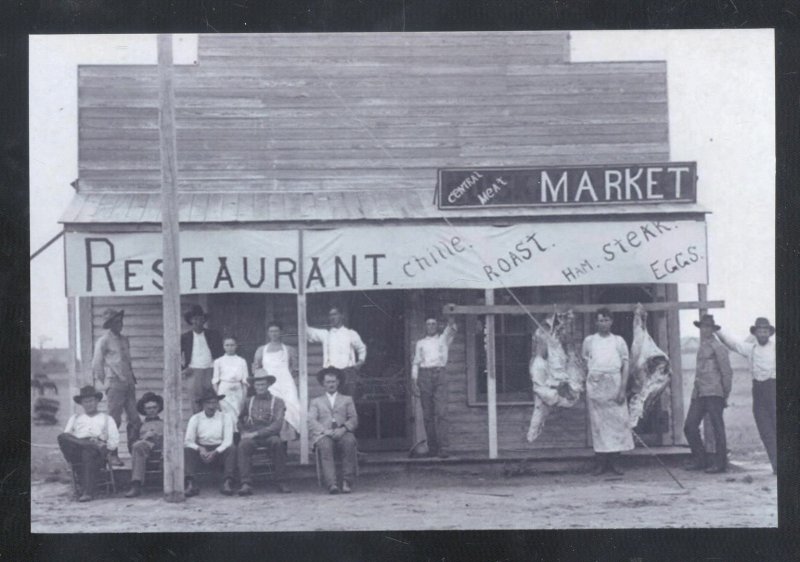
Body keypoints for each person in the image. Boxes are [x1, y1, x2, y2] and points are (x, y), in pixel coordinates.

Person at [717, 317, 776, 474]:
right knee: (765, 431)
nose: (762, 333)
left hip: (774, 389)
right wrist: (718, 330)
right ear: (755, 333)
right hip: (758, 391)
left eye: (765, 330)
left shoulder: (777, 348)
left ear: (770, 333)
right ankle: (777, 467)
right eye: (759, 330)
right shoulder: (751, 349)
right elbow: (733, 344)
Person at [582, 308, 633, 476]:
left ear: (611, 321)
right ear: (596, 322)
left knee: (617, 422)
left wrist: (622, 389)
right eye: (600, 320)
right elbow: (585, 363)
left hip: (614, 382)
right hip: (596, 384)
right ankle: (600, 463)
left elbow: (626, 365)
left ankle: (616, 461)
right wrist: (590, 383)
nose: (603, 323)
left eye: (606, 320)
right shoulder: (589, 341)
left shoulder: (618, 341)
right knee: (598, 424)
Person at [683, 314, 733, 473]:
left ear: (713, 329)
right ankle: (701, 460)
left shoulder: (718, 347)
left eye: (708, 327)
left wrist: (724, 394)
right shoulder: (702, 345)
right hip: (699, 393)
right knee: (689, 426)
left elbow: (727, 372)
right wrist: (695, 391)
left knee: (718, 428)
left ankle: (720, 464)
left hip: (714, 392)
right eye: (702, 327)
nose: (705, 330)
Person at [91, 307, 139, 466]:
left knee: (134, 419)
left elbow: (127, 362)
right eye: (116, 322)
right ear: (110, 324)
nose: (120, 324)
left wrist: (130, 379)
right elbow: (97, 364)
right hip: (115, 384)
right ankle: (112, 454)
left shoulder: (125, 339)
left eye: (121, 321)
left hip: (129, 384)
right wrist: (106, 383)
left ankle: (136, 452)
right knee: (114, 421)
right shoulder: (103, 340)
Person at [57, 386, 120, 502]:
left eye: (91, 401)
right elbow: (67, 437)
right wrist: (85, 443)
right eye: (85, 402)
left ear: (97, 401)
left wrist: (104, 447)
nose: (88, 404)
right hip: (76, 451)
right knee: (62, 436)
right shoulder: (75, 418)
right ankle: (87, 444)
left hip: (97, 451)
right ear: (81, 404)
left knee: (88, 451)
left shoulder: (107, 419)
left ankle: (88, 492)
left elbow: (114, 441)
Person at [411, 312, 457, 458]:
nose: (431, 326)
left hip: (439, 374)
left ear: (437, 326)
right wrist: (414, 380)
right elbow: (416, 362)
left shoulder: (443, 339)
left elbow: (452, 329)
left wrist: (451, 317)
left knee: (441, 412)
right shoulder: (420, 343)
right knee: (428, 415)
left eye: (433, 324)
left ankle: (444, 448)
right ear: (425, 327)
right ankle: (432, 448)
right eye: (428, 324)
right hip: (424, 376)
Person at [237, 372, 291, 495]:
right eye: (258, 385)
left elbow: (277, 425)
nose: (260, 387)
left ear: (268, 385)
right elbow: (239, 420)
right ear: (254, 386)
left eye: (263, 384)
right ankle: (246, 483)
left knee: (278, 443)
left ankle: (281, 481)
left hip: (270, 435)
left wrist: (256, 434)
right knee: (243, 445)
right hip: (251, 436)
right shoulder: (248, 401)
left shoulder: (278, 402)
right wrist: (243, 432)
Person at [308, 367, 359, 494]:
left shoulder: (347, 399)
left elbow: (354, 419)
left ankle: (347, 481)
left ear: (338, 383)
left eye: (333, 382)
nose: (331, 384)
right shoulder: (316, 401)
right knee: (325, 446)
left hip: (342, 432)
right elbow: (311, 420)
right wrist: (325, 431)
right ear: (323, 384)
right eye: (328, 382)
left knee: (349, 442)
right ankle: (332, 484)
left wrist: (343, 429)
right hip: (324, 434)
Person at [253, 321, 301, 441]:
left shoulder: (289, 350)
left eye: (276, 331)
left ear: (281, 332)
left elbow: (295, 370)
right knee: (272, 408)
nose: (274, 334)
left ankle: (287, 438)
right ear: (268, 333)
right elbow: (256, 369)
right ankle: (272, 438)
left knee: (292, 408)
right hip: (269, 383)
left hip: (286, 383)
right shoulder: (261, 350)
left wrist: (292, 384)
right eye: (271, 331)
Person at [183, 388, 237, 496]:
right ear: (202, 404)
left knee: (231, 448)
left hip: (219, 451)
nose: (211, 406)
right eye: (208, 403)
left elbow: (227, 441)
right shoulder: (195, 418)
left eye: (214, 402)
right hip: (202, 450)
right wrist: (200, 449)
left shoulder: (225, 417)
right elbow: (188, 440)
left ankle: (227, 482)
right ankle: (191, 483)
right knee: (187, 450)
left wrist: (215, 452)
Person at [306, 307, 367, 396]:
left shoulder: (350, 333)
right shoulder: (326, 335)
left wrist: (360, 362)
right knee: (334, 401)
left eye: (335, 314)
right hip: (332, 374)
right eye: (330, 315)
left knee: (348, 401)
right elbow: (309, 332)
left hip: (348, 373)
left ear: (341, 316)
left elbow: (362, 348)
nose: (332, 317)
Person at [181, 305, 224, 414]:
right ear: (191, 321)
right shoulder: (185, 337)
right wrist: (182, 369)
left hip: (211, 370)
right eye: (195, 319)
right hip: (193, 371)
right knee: (195, 401)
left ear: (204, 320)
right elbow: (176, 354)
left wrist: (220, 369)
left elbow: (221, 352)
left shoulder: (213, 334)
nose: (198, 321)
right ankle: (198, 426)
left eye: (200, 318)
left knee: (213, 398)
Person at [125, 392, 165, 498]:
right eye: (148, 408)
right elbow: (131, 445)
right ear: (144, 410)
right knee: (138, 446)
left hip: (163, 453)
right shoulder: (138, 425)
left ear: (158, 408)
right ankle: (136, 485)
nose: (152, 410)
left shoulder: (166, 423)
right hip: (145, 454)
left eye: (154, 407)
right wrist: (144, 438)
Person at [212, 336, 249, 420]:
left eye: (232, 345)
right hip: (224, 389)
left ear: (236, 346)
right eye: (227, 345)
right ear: (223, 346)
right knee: (226, 414)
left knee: (237, 413)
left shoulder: (241, 361)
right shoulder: (218, 361)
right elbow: (215, 381)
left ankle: (236, 432)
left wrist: (244, 397)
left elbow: (245, 381)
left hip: (237, 389)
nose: (229, 348)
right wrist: (218, 396)